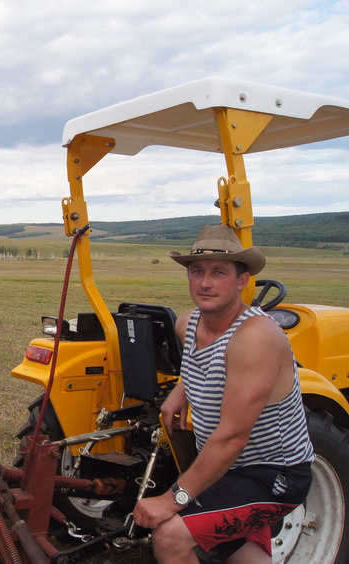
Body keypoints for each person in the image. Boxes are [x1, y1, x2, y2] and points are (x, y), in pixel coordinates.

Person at [133, 225, 314, 563]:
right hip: (227, 469)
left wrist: (172, 499)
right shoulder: (187, 324)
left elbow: (232, 437)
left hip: (273, 473)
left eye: (219, 273)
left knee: (172, 536)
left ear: (242, 280)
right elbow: (209, 361)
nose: (205, 282)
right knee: (241, 553)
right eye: (197, 271)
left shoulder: (255, 337)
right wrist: (181, 389)